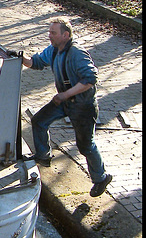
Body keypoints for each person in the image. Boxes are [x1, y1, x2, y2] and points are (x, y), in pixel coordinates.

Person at [20, 17, 112, 197]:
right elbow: (36, 63)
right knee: (39, 121)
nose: (49, 36)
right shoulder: (54, 50)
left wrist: (65, 95)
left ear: (65, 35)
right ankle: (43, 156)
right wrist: (20, 57)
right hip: (64, 102)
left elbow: (90, 80)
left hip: (83, 106)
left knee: (86, 146)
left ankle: (101, 178)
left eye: (53, 33)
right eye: (49, 32)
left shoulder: (77, 53)